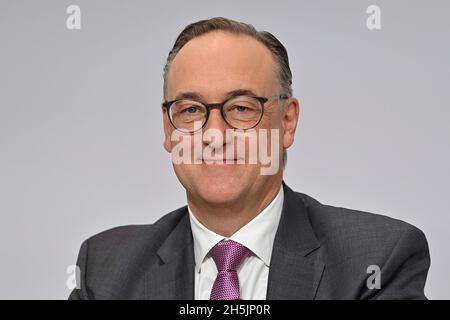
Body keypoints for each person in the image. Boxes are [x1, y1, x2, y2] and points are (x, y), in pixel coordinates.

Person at [69, 17, 430, 300]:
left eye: (241, 108)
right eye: (191, 109)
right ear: (168, 129)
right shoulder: (105, 269)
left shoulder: (376, 260)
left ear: (287, 122)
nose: (214, 135)